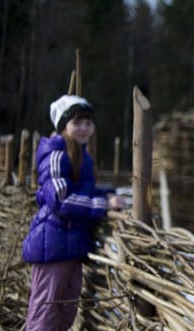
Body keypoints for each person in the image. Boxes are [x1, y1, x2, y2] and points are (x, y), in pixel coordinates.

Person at [22, 95, 125, 331]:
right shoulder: (57, 155)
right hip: (53, 245)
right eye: (77, 122)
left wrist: (107, 194)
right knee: (45, 314)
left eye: (88, 122)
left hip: (71, 246)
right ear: (64, 125)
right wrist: (102, 205)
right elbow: (62, 200)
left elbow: (83, 191)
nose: (84, 128)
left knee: (65, 313)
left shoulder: (82, 156)